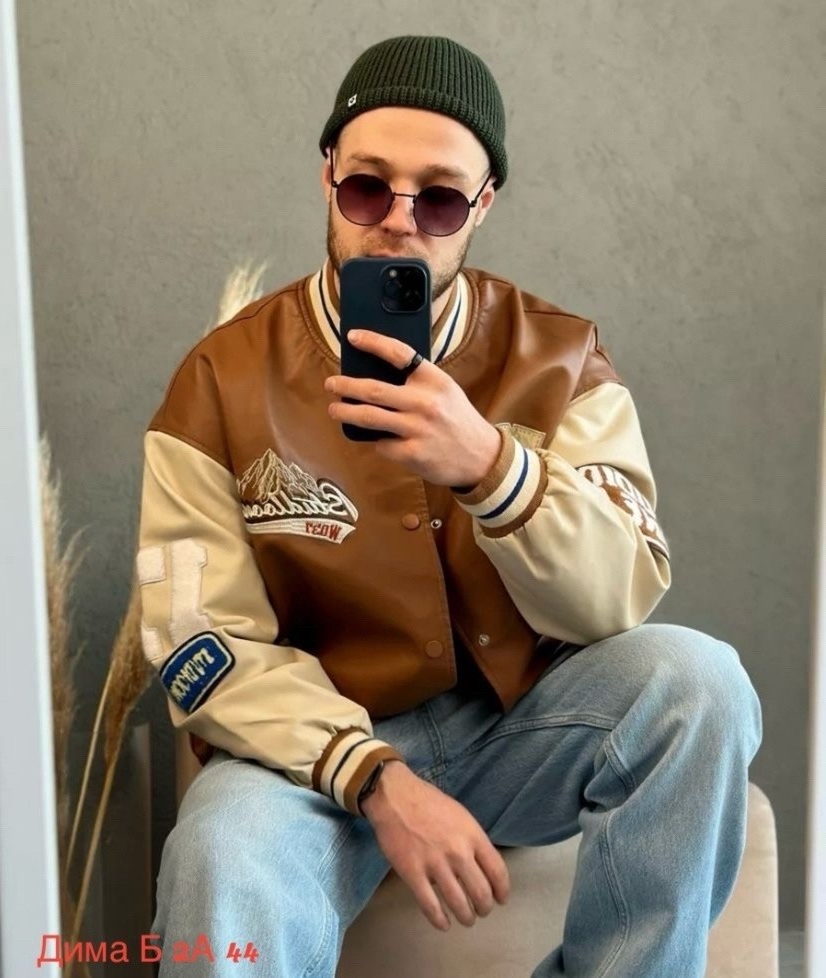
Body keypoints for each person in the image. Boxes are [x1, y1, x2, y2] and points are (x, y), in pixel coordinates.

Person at [137, 34, 763, 978]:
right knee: (220, 850)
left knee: (700, 682)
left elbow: (620, 598)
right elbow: (201, 639)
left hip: (525, 728)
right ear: (326, 177)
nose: (398, 223)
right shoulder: (217, 381)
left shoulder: (563, 358)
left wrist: (492, 469)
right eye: (367, 188)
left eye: (437, 199)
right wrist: (371, 775)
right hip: (313, 753)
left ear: (483, 204)